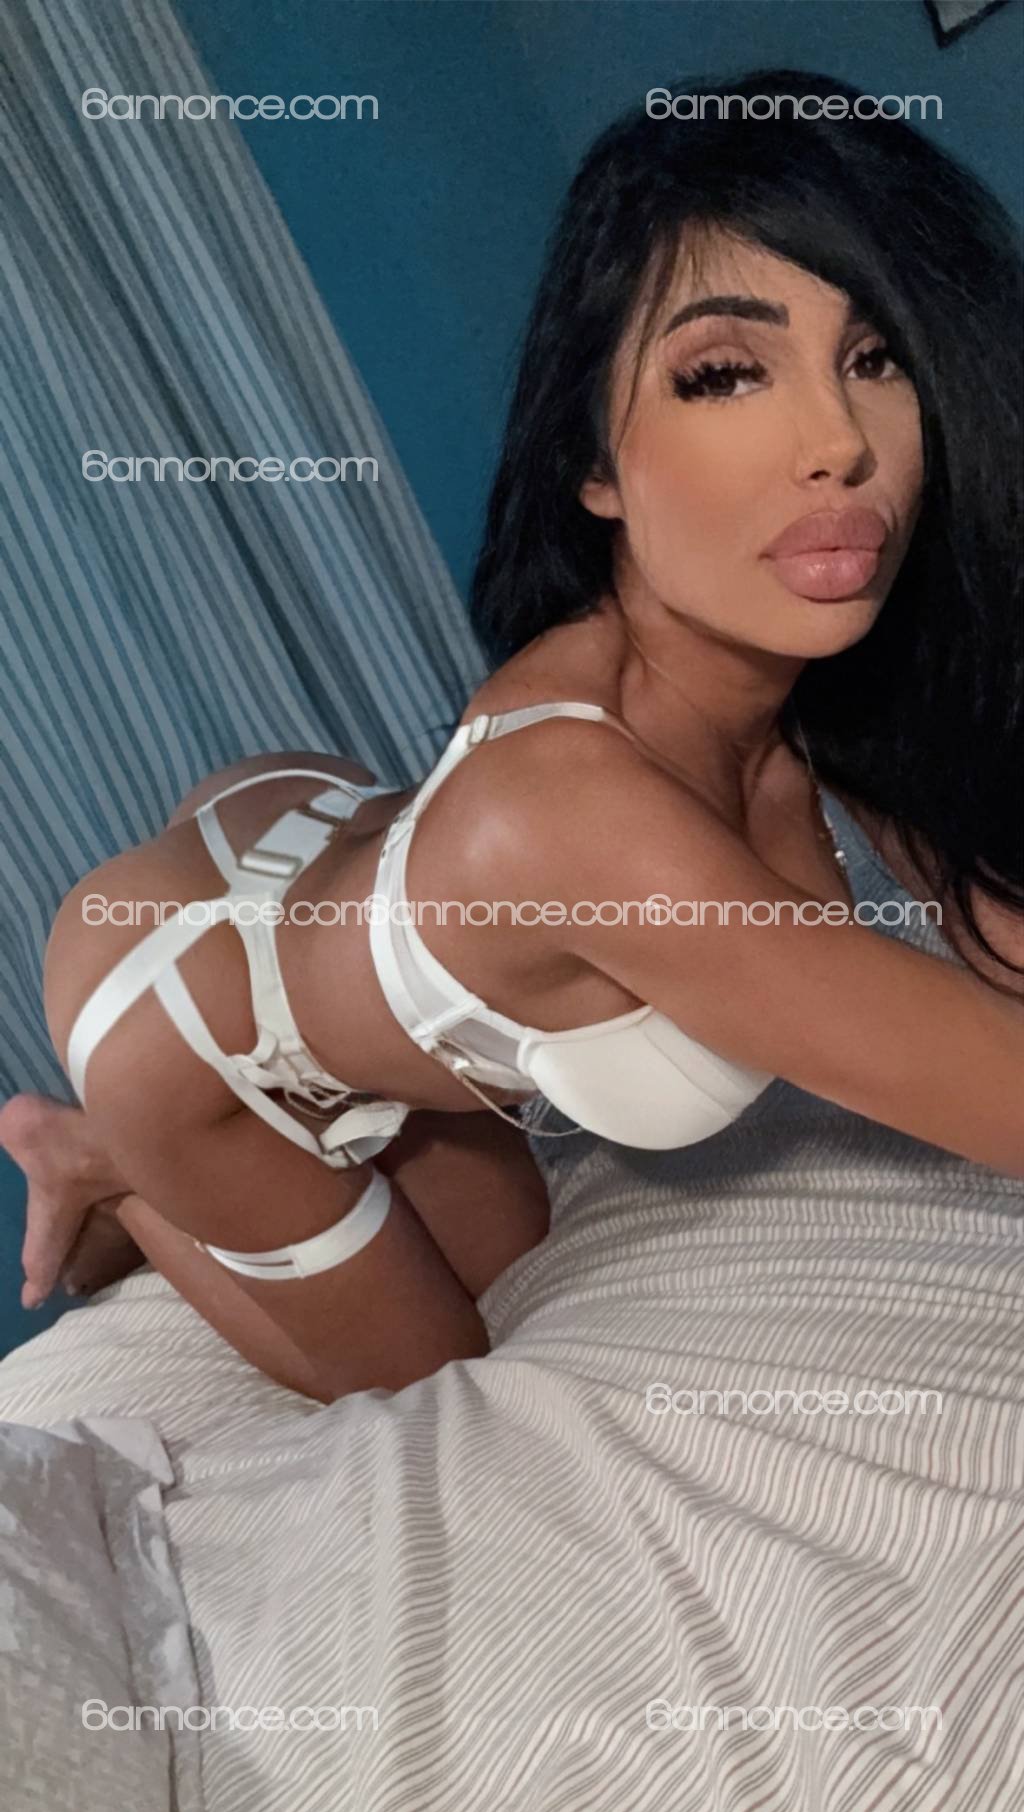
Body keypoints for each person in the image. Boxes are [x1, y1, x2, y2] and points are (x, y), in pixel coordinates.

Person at [2, 69, 1021, 1404]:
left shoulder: (812, 678)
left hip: (325, 836)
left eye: (877, 358)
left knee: (512, 1240)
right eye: (725, 373)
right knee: (430, 1365)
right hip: (184, 1012)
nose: (837, 442)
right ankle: (103, 1158)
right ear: (594, 465)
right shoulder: (581, 819)